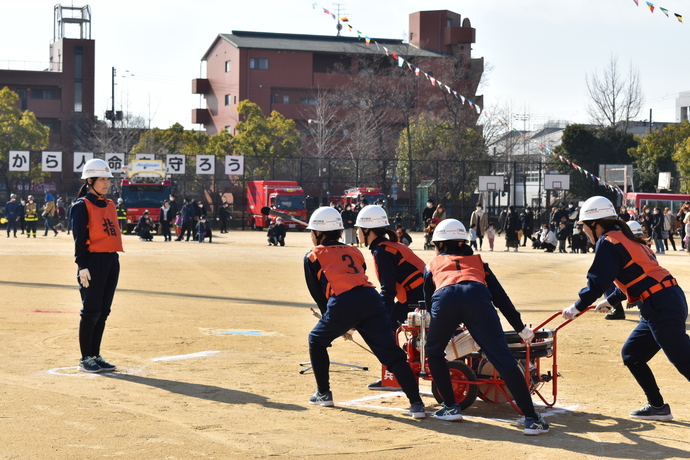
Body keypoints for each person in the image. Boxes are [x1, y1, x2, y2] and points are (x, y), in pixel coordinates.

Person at [562, 196, 690, 421]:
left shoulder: (609, 240)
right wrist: (611, 300)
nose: (584, 232)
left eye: (584, 226)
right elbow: (637, 276)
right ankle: (657, 406)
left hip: (661, 304)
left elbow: (597, 281)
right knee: (632, 355)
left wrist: (576, 307)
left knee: (684, 360)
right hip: (661, 301)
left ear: (595, 223)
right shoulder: (624, 238)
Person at [422, 219, 549, 434]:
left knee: (434, 353)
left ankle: (451, 407)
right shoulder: (479, 263)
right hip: (477, 299)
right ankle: (531, 419)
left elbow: (429, 302)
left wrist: (444, 326)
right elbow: (501, 297)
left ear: (440, 245)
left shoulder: (431, 266)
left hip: (444, 300)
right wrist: (520, 327)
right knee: (503, 358)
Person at [303, 207, 427, 418]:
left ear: (318, 234)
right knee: (392, 355)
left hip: (342, 302)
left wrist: (334, 321)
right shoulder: (355, 251)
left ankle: (324, 393)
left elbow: (320, 297)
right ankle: (417, 404)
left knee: (316, 340)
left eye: (312, 232)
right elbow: (359, 275)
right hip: (371, 300)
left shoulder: (312, 256)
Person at [355, 205, 427, 391]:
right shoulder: (387, 247)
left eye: (358, 228)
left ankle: (394, 378)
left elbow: (388, 291)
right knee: (390, 327)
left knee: (387, 331)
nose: (356, 232)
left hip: (419, 298)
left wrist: (381, 316)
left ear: (368, 230)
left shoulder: (382, 252)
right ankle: (395, 375)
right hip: (419, 295)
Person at [70, 158, 124, 373]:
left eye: (108, 179)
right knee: (91, 311)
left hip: (111, 260)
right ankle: (85, 358)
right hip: (92, 262)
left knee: (103, 311)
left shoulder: (109, 204)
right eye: (102, 179)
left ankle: (95, 354)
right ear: (90, 180)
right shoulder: (82, 206)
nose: (107, 183)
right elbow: (79, 238)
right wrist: (82, 265)